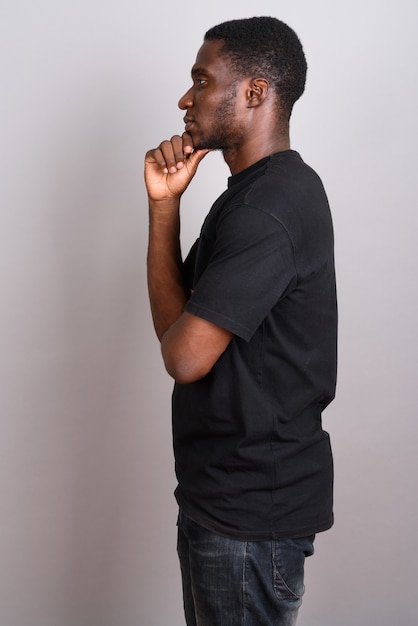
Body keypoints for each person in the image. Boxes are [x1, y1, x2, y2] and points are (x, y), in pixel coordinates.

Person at [144, 16, 337, 626]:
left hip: (250, 516)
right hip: (223, 502)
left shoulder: (268, 207)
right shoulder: (254, 195)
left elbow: (183, 358)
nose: (185, 97)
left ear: (255, 92)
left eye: (202, 80)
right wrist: (163, 207)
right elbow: (177, 330)